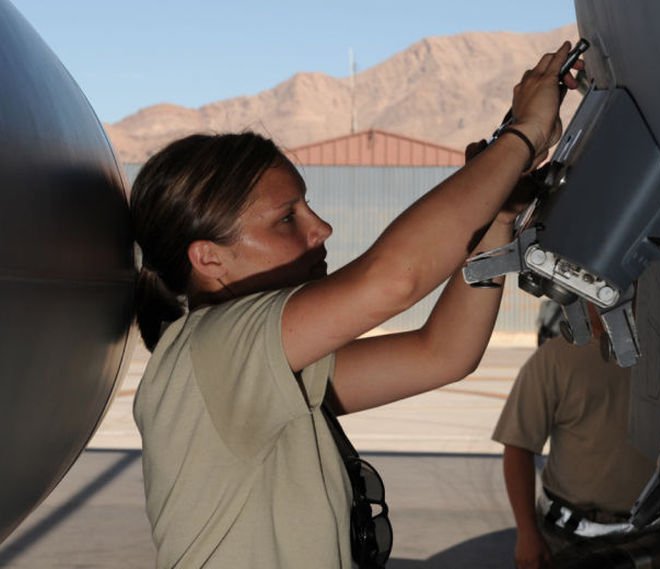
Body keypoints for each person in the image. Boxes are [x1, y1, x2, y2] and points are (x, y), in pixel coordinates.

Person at [130, 43, 580, 569]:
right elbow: (393, 280)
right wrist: (521, 137)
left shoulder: (254, 367)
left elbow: (442, 353)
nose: (321, 228)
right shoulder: (215, 347)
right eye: (287, 218)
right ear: (209, 258)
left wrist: (496, 220)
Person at [492, 306, 656, 569]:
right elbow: (518, 448)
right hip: (568, 538)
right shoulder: (554, 359)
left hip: (650, 534)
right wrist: (526, 533)